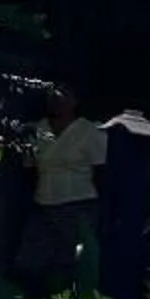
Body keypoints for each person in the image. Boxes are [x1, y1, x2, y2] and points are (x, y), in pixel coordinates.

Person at [15, 85, 109, 287]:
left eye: (64, 96)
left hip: (79, 204)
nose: (58, 101)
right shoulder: (38, 130)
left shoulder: (90, 131)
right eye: (54, 97)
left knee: (75, 262)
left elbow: (101, 172)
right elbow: (29, 170)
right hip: (44, 204)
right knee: (32, 262)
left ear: (75, 102)